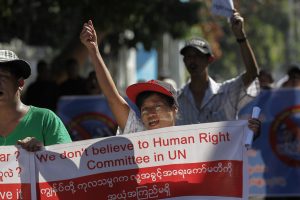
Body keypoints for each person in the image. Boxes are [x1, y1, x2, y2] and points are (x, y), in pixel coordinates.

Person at [80, 20, 261, 136]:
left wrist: (247, 132)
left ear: (175, 109)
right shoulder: (139, 133)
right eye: (144, 109)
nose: (150, 113)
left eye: (157, 106)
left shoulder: (190, 140)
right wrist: (93, 51)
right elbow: (113, 98)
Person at [177, 10, 260, 125]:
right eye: (189, 56)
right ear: (184, 60)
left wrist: (240, 35)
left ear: (210, 59)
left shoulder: (227, 93)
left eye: (198, 56)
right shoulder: (175, 101)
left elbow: (252, 73)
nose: (192, 60)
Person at [0, 50, 72, 151]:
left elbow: (67, 162)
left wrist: (43, 153)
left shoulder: (46, 120)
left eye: (2, 77)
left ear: (20, 83)